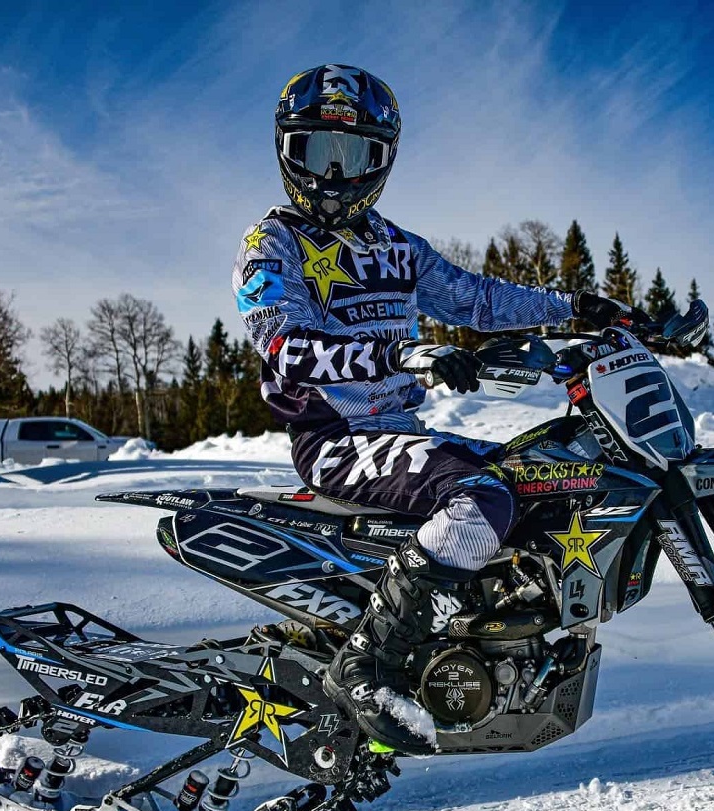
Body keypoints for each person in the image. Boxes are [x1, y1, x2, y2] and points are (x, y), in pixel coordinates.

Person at [232, 64, 641, 755]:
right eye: (318, 154)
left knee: (546, 475)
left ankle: (492, 654)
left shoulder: (396, 247)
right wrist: (396, 357)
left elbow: (479, 299)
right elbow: (286, 345)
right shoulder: (271, 244)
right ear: (287, 153)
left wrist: (578, 310)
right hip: (338, 437)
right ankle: (370, 666)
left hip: (399, 434)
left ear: (381, 162)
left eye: (354, 156)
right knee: (479, 499)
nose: (334, 176)